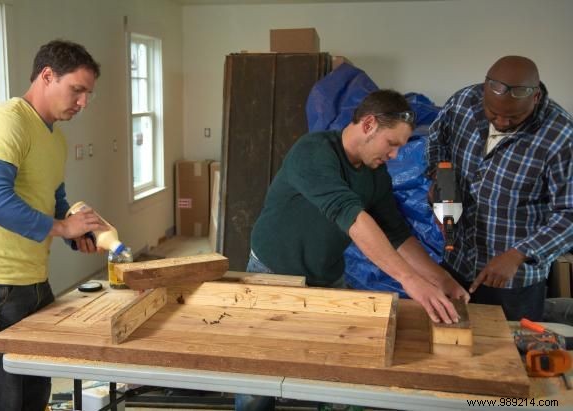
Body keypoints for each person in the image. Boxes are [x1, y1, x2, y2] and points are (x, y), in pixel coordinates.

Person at [236, 90, 469, 411]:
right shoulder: (314, 152)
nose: (396, 155)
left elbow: (398, 234)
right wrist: (409, 280)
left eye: (401, 146)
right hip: (273, 271)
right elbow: (353, 219)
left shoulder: (375, 175)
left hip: (326, 272)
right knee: (257, 371)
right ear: (369, 124)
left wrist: (439, 278)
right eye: (392, 144)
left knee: (336, 367)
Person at [0, 40, 108, 410]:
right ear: (46, 76)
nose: (83, 102)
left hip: (32, 282)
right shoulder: (6, 121)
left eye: (88, 93)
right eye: (77, 90)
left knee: (34, 395)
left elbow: (53, 199)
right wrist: (60, 228)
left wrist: (76, 232)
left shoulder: (55, 137)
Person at [426, 56, 573, 321]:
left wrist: (519, 254)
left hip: (513, 283)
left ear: (536, 97)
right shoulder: (463, 103)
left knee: (511, 352)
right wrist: (442, 184)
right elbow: (439, 142)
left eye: (514, 116)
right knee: (451, 342)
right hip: (457, 262)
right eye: (493, 114)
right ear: (483, 91)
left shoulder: (561, 136)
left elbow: (569, 214)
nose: (502, 122)